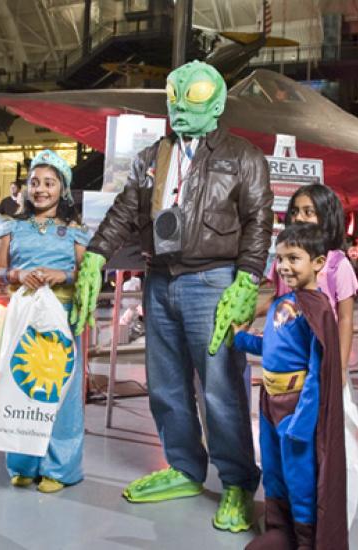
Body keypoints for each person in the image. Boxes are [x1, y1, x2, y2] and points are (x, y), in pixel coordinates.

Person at [71, 60, 272, 532]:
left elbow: (259, 220)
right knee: (166, 384)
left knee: (221, 387)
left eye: (194, 96)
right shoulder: (151, 157)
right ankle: (184, 466)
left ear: (218, 103)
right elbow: (125, 210)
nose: (180, 105)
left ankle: (238, 482)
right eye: (174, 94)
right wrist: (97, 255)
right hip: (159, 279)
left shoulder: (243, 156)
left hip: (213, 281)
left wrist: (247, 279)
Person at [233, 223, 347, 550]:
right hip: (270, 403)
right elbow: (272, 346)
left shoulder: (318, 307)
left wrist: (303, 420)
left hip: (295, 408)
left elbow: (317, 370)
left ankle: (306, 541)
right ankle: (279, 531)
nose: (284, 266)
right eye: (280, 258)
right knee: (274, 471)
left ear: (319, 262)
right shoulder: (283, 302)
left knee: (300, 480)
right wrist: (241, 339)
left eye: (294, 258)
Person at [0, 149, 88, 493]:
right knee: (20, 386)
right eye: (34, 182)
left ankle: (59, 468)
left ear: (62, 189)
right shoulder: (9, 225)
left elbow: (85, 275)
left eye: (49, 183)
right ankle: (22, 463)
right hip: (22, 312)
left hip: (60, 316)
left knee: (59, 390)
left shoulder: (75, 231)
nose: (41, 189)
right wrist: (18, 273)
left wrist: (59, 275)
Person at [258, 185, 357, 381]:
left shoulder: (338, 264)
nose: (299, 218)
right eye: (294, 212)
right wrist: (246, 316)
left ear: (327, 217)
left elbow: (345, 319)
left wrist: (341, 368)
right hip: (286, 358)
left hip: (321, 360)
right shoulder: (284, 260)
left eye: (308, 212)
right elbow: (277, 299)